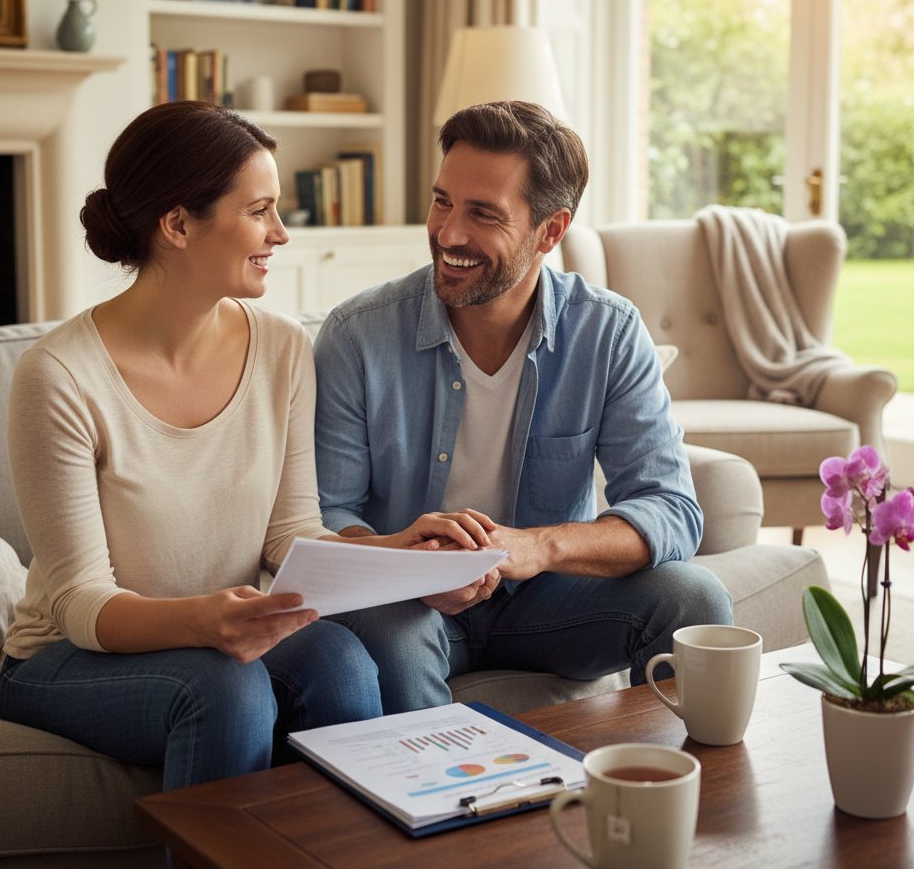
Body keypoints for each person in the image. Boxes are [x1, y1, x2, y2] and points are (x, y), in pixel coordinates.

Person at [0, 100, 487, 790]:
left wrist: (404, 549)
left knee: (342, 663)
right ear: (177, 225)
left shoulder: (282, 347)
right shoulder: (60, 376)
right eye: (259, 210)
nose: (281, 234)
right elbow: (80, 603)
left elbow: (292, 534)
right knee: (229, 691)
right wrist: (203, 620)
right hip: (70, 656)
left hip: (224, 630)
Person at [313, 100, 734, 713]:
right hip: (404, 605)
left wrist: (536, 549)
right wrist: (409, 560)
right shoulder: (357, 335)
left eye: (483, 214)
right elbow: (327, 513)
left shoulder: (608, 333)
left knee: (694, 600)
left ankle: (651, 792)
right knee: (393, 639)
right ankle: (443, 803)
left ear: (550, 231)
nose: (449, 233)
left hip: (549, 601)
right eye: (442, 202)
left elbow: (671, 509)